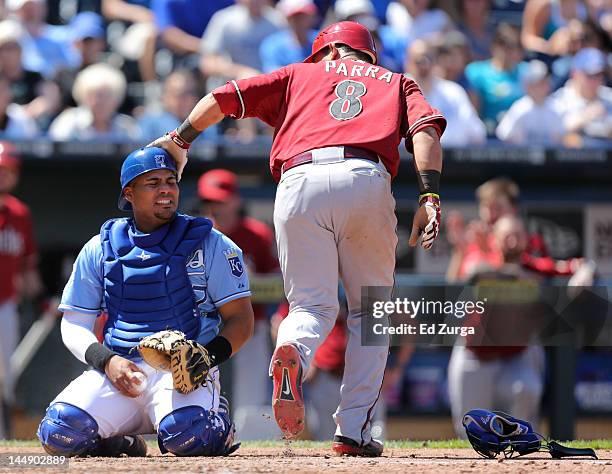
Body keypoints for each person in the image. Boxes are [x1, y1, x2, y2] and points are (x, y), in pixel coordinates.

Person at [150, 20, 446, 456]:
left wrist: (180, 139)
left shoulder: (298, 74)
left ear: (327, 51)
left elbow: (223, 97)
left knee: (311, 306)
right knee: (370, 311)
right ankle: (352, 432)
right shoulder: (395, 80)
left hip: (299, 179)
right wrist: (430, 194)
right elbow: (425, 131)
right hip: (364, 176)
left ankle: (293, 348)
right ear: (366, 55)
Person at [36, 147, 254, 457]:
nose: (165, 189)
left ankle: (215, 418)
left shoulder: (210, 242)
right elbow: (73, 324)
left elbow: (241, 320)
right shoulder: (101, 247)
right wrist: (107, 360)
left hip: (182, 375)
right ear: (129, 193)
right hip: (120, 370)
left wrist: (207, 357)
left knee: (188, 436)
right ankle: (123, 442)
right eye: (152, 183)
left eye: (171, 180)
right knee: (61, 433)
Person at [447, 214, 545, 437]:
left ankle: (524, 460)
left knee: (527, 389)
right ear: (495, 239)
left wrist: (586, 269)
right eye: (506, 236)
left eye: (517, 236)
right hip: (476, 356)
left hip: (515, 357)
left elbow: (563, 269)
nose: (512, 242)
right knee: (469, 428)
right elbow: (466, 277)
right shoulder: (479, 260)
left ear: (526, 239)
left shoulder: (536, 266)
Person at [197, 169, 280, 424]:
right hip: (203, 326)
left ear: (236, 201)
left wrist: (251, 285)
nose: (215, 208)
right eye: (209, 201)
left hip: (249, 325)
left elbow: (278, 281)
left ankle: (245, 437)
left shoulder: (256, 234)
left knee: (249, 398)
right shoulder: (193, 233)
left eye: (220, 201)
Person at [0, 142, 41, 439]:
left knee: (5, 378)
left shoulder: (19, 213)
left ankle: (2, 439)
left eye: (8, 170)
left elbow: (28, 267)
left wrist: (41, 298)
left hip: (5, 306)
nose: (2, 175)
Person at [405, 39, 486, 147]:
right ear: (407, 62)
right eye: (418, 60)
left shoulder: (453, 92)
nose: (424, 64)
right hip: (406, 160)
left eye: (427, 58)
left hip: (450, 159)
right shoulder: (396, 91)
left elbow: (477, 133)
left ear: (435, 61)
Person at [48, 63, 139, 142]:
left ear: (117, 99)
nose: (100, 101)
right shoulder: (68, 122)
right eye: (95, 95)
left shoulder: (126, 127)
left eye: (107, 96)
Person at [465, 23, 527, 134]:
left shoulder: (527, 72)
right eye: (503, 43)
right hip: (489, 135)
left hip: (522, 136)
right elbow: (472, 113)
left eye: (514, 45)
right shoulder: (477, 72)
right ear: (494, 45)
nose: (508, 50)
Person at [552, 47, 611, 147]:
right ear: (574, 74)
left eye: (599, 75)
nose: (595, 80)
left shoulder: (609, 96)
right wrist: (586, 116)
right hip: (569, 159)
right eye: (590, 75)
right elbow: (553, 134)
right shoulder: (560, 99)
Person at [496, 59, 565, 145]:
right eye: (536, 83)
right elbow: (503, 135)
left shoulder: (557, 108)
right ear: (527, 86)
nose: (540, 87)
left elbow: (562, 139)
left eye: (543, 82)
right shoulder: (519, 108)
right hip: (522, 156)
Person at [259, 0, 318, 72]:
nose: (299, 21)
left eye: (303, 16)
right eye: (294, 17)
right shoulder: (271, 46)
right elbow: (275, 77)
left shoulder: (322, 41)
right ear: (286, 19)